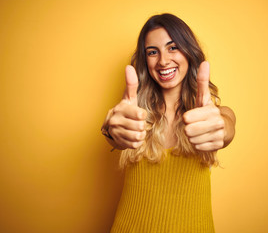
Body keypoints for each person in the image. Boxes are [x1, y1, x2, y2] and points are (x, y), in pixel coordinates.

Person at [101, 13, 236, 233]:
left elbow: (227, 125)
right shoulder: (133, 115)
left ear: (188, 52)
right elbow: (115, 132)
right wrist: (110, 130)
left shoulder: (210, 115)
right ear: (146, 61)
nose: (163, 60)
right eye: (153, 52)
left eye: (172, 48)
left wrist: (223, 127)